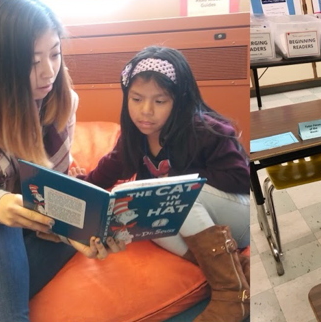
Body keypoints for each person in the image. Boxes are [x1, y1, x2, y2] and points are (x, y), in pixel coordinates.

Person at [0, 1, 120, 321]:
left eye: (55, 53)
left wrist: (76, 230)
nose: (49, 71)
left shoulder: (61, 96)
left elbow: (46, 190)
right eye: (32, 61)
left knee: (78, 225)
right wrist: (0, 206)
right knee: (0, 220)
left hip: (25, 201)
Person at [74, 46, 251, 322]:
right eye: (136, 99)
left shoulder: (204, 130)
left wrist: (179, 182)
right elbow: (106, 172)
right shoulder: (134, 137)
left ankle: (230, 294)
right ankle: (235, 268)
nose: (146, 111)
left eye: (160, 101)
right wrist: (79, 186)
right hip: (207, 230)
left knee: (176, 195)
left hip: (239, 214)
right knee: (145, 215)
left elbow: (242, 179)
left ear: (179, 101)